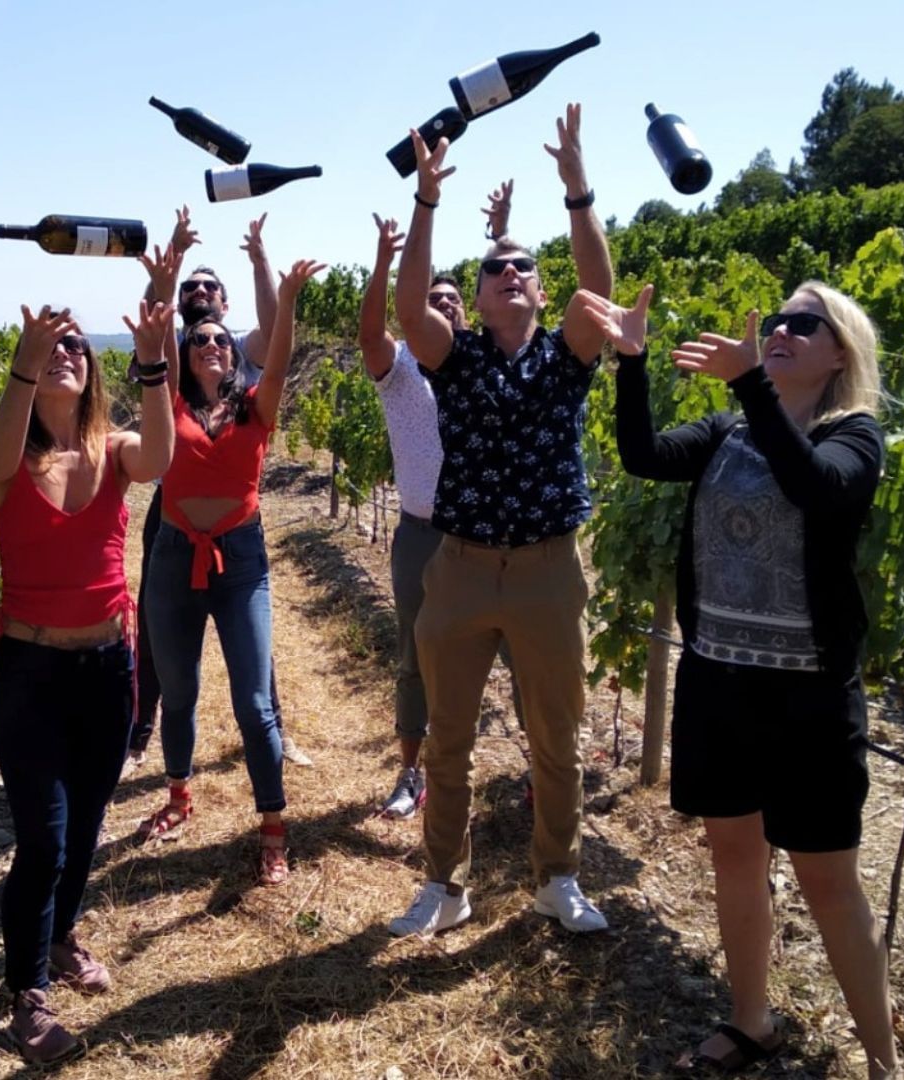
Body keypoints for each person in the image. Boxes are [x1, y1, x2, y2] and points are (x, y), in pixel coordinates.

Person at [577, 281, 897, 1077]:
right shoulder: (728, 430)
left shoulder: (853, 437)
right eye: (779, 319)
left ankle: (886, 1063)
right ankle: (752, 1020)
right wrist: (631, 357)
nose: (783, 330)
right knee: (735, 857)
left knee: (829, 883)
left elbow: (815, 486)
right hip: (719, 682)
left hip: (808, 699)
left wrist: (751, 380)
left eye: (803, 323)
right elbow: (643, 456)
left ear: (839, 353)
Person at [386, 104, 616, 937]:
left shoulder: (567, 354)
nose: (510, 273)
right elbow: (412, 310)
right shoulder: (457, 357)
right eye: (495, 270)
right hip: (462, 565)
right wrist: (426, 204)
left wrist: (576, 189)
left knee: (556, 738)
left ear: (543, 289)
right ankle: (445, 886)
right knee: (447, 740)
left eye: (523, 267)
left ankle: (557, 876)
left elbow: (602, 291)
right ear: (477, 298)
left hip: (551, 569)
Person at [0, 298, 176, 1063]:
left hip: (104, 667)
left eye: (75, 348)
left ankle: (58, 938)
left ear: (92, 372)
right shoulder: (6, 462)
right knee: (43, 840)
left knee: (87, 826)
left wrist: (154, 362)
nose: (66, 354)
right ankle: (26, 994)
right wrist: (26, 359)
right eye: (52, 349)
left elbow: (159, 459)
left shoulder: (114, 449)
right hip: (29, 672)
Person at [138, 254, 326, 887]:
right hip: (173, 556)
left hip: (241, 559)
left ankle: (273, 828)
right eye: (201, 341)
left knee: (253, 701)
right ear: (187, 354)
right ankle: (178, 796)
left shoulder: (255, 404)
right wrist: (166, 278)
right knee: (180, 689)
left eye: (221, 338)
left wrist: (289, 294)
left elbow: (278, 352)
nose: (212, 345)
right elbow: (159, 336)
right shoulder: (167, 400)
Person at [128, 208, 313, 775]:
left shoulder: (238, 352)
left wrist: (261, 259)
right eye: (192, 288)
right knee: (159, 624)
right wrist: (169, 267)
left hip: (235, 517)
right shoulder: (174, 360)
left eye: (211, 287)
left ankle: (269, 728)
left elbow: (276, 334)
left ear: (226, 307)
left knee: (246, 632)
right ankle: (144, 731)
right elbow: (153, 329)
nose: (201, 292)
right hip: (174, 507)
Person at [357, 210, 524, 820]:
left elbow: (520, 303)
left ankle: (538, 773)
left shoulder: (489, 362)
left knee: (523, 656)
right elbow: (372, 329)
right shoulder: (399, 371)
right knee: (415, 656)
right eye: (434, 299)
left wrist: (501, 235)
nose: (446, 306)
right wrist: (384, 259)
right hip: (423, 535)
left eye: (454, 299)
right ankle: (411, 774)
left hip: (491, 538)